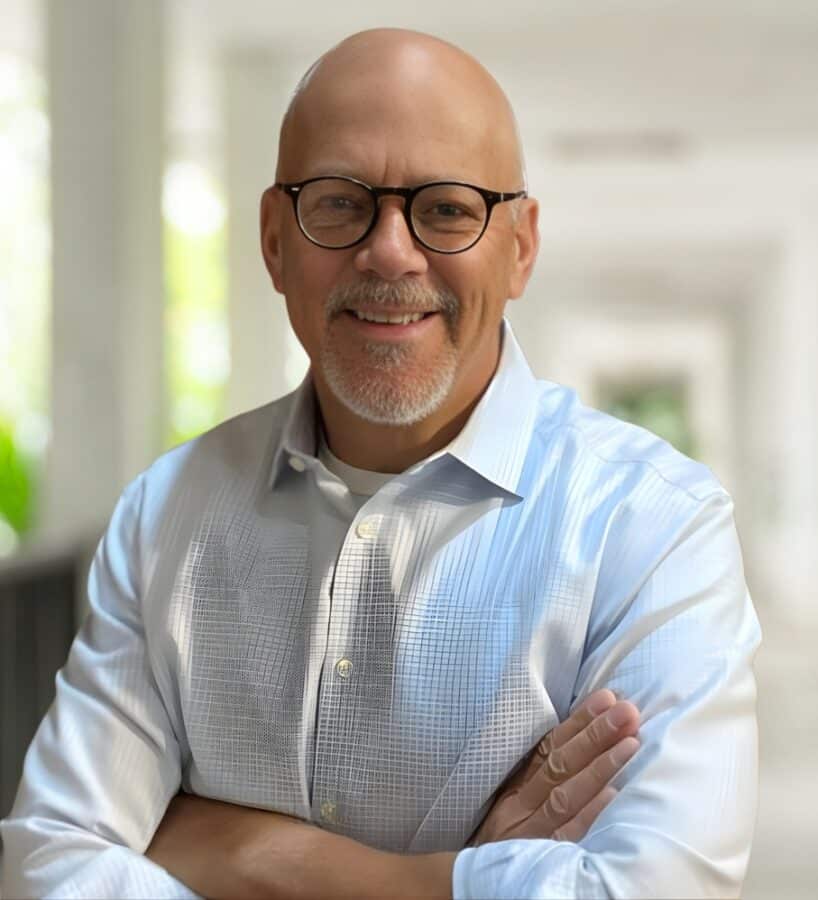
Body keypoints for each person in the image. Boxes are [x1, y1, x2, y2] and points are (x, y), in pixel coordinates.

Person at [1, 28, 760, 899]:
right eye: (337, 201)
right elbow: (49, 866)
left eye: (445, 208)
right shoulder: (167, 515)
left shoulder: (655, 527)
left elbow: (654, 889)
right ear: (274, 240)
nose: (390, 251)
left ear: (519, 247)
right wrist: (442, 880)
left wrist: (245, 855)